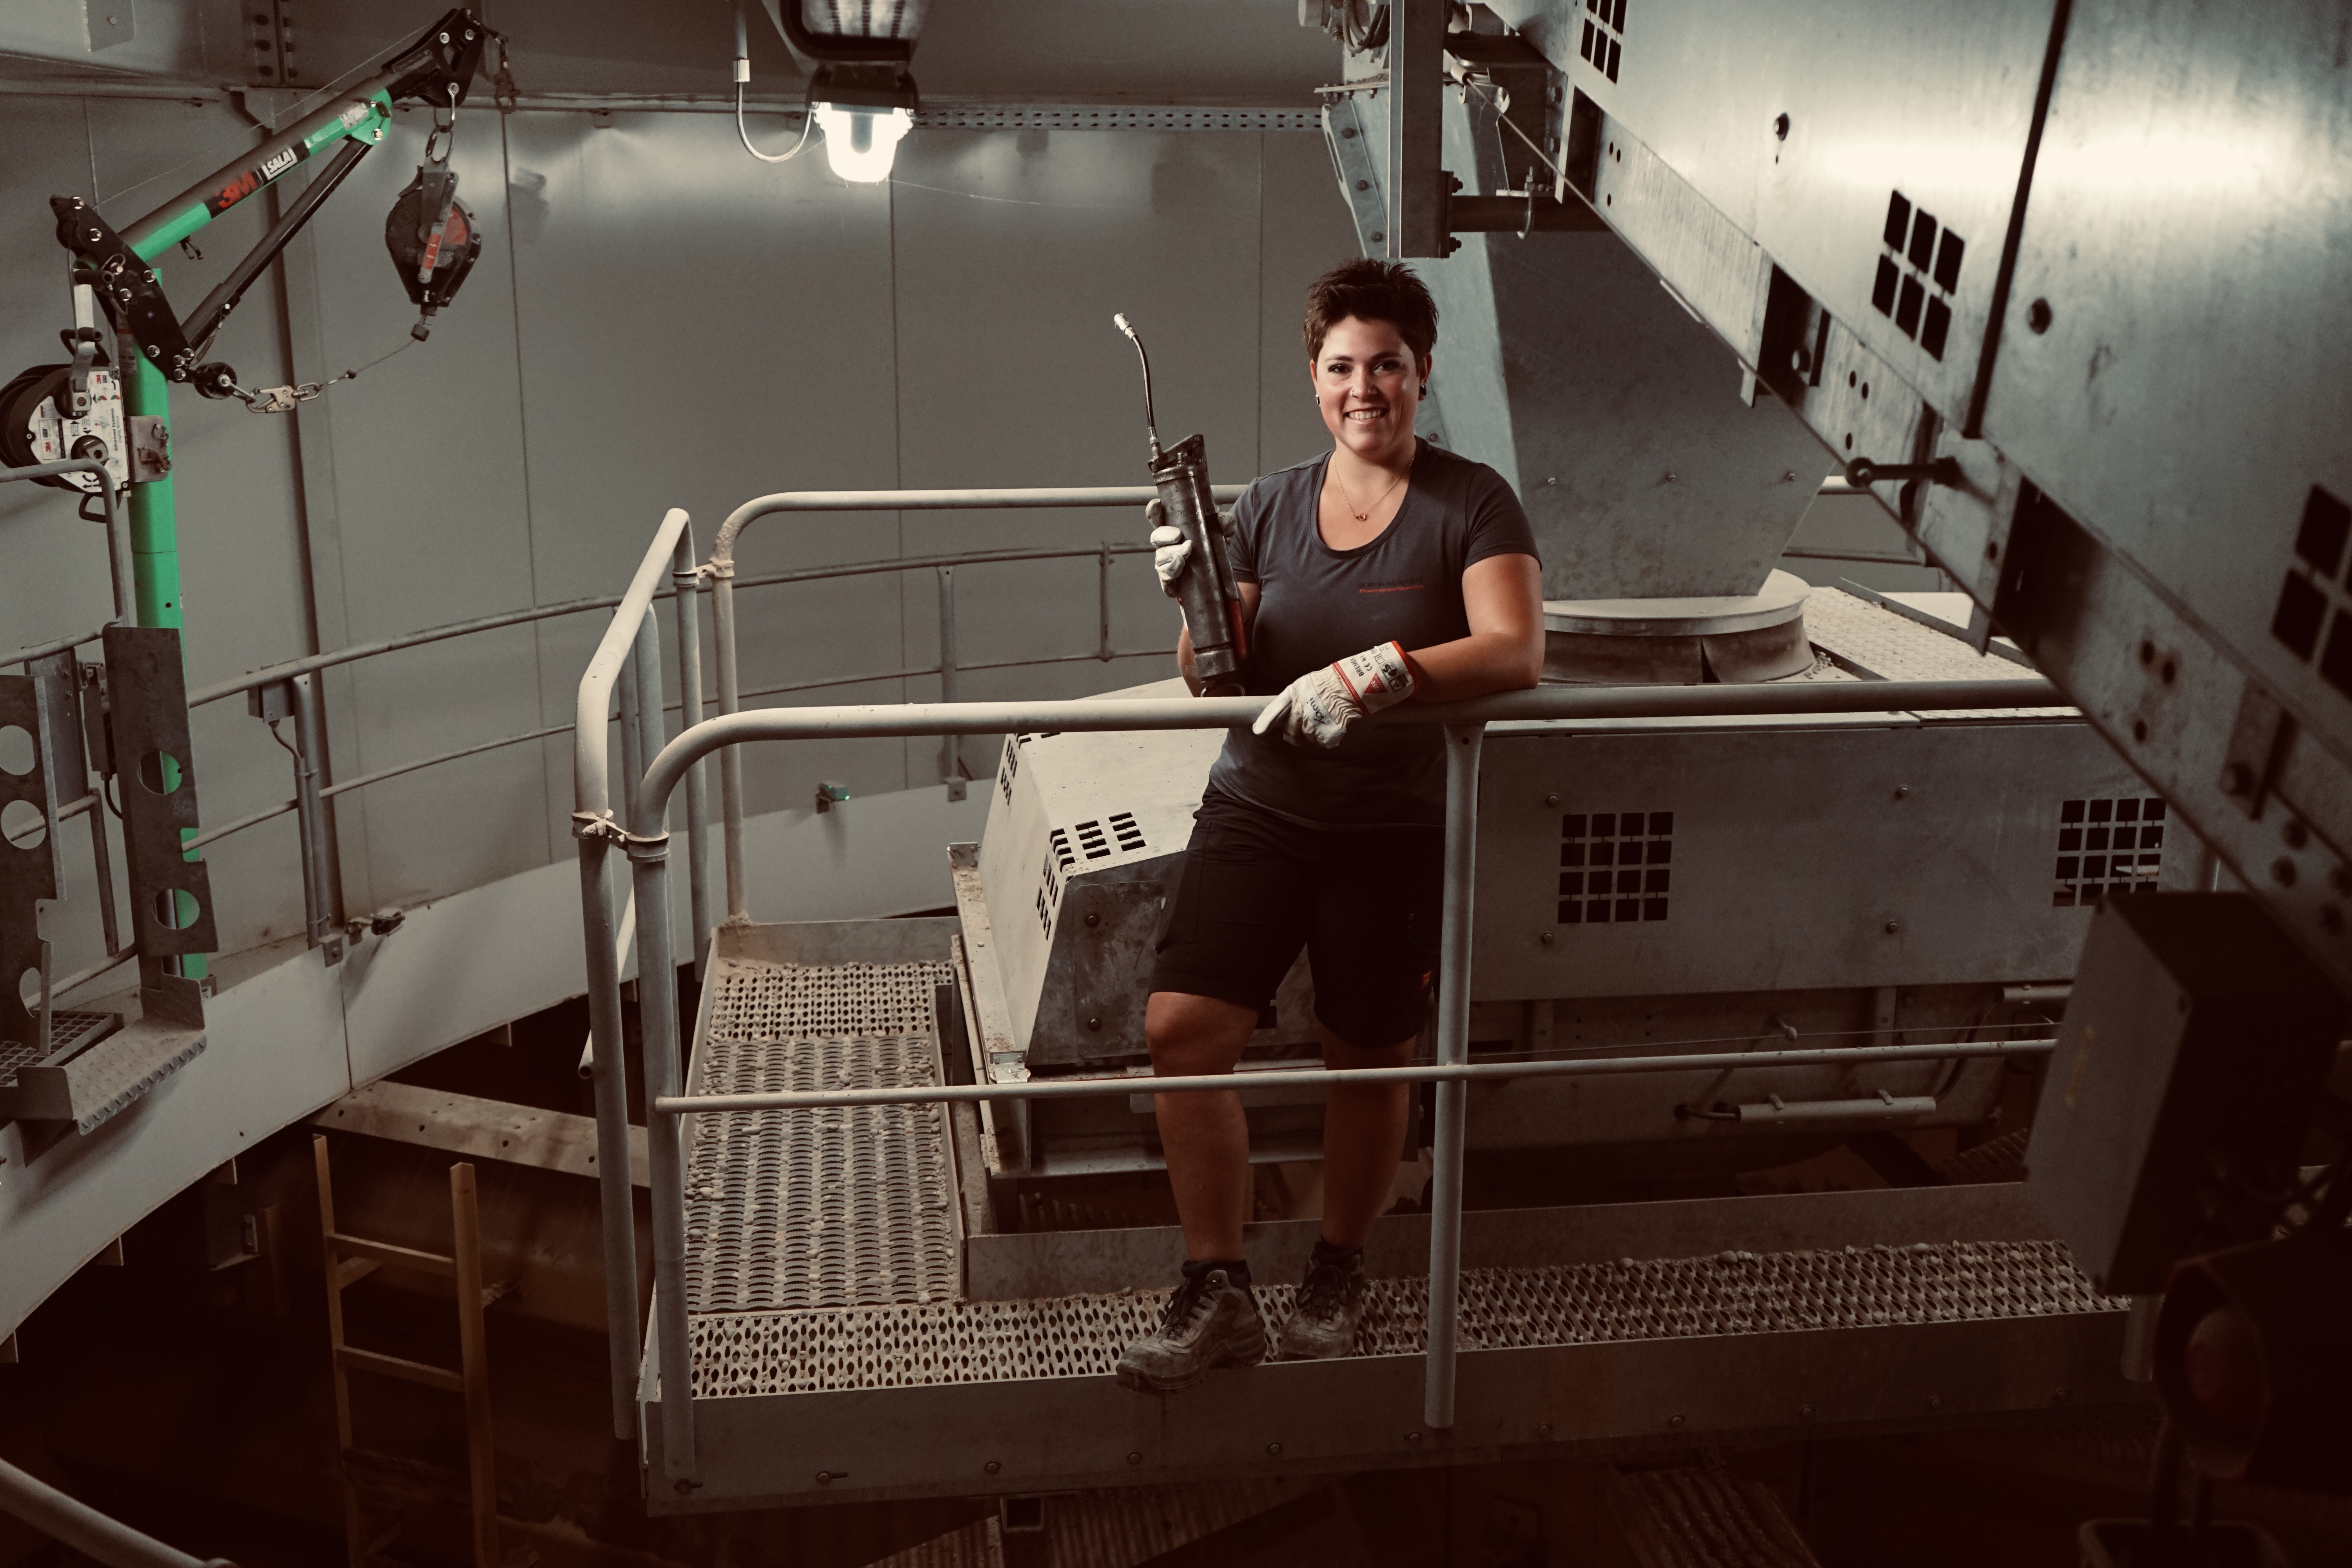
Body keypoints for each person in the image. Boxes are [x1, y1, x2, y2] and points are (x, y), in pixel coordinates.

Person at [1114, 258, 1546, 1392]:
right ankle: (1219, 1290)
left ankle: (1338, 1270)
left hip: (1389, 825)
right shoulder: (1269, 504)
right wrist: (1195, 596)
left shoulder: (1473, 502)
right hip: (1260, 803)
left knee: (1366, 1055)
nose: (1366, 390)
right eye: (1343, 368)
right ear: (1314, 377)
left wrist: (1378, 675)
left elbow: (1514, 649)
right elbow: (1216, 677)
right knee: (1182, 1030)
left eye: (1387, 366)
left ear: (1422, 372)